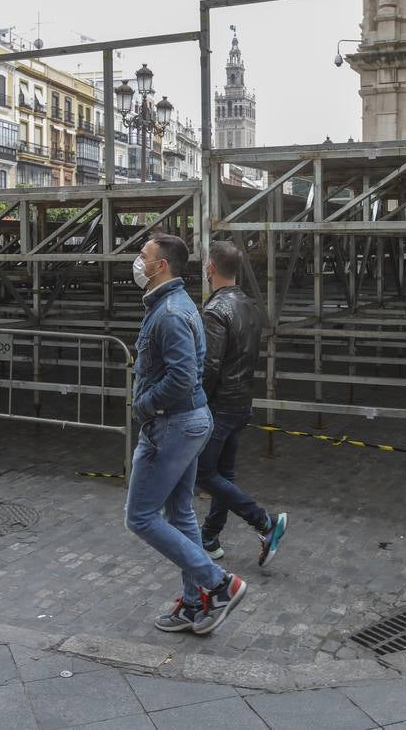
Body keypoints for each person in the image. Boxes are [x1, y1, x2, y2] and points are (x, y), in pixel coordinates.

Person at [125, 232, 247, 635]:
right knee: (179, 515)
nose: (138, 261)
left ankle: (219, 584)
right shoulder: (172, 304)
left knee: (140, 517)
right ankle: (195, 605)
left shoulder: (172, 313)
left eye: (143, 255)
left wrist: (144, 405)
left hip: (173, 426)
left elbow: (182, 376)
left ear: (161, 266)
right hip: (188, 422)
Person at [196, 240, 288, 567]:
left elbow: (210, 365)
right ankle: (209, 536)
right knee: (224, 472)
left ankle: (264, 521)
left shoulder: (215, 310)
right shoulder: (249, 306)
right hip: (241, 402)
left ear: (210, 269)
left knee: (204, 475)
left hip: (219, 406)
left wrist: (198, 402)